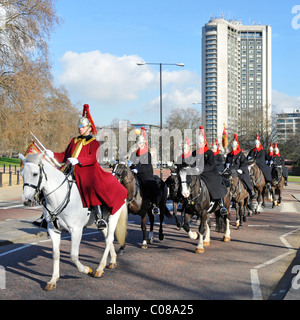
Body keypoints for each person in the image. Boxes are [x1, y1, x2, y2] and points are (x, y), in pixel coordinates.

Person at [46, 104, 127, 230]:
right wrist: (53, 155)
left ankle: (99, 216)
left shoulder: (94, 143)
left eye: (82, 127)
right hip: (70, 170)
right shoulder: (74, 141)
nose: (80, 129)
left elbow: (92, 158)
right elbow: (64, 156)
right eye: (79, 127)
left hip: (87, 172)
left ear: (89, 128)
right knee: (50, 183)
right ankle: (47, 215)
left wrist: (78, 160)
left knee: (90, 187)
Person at [192, 126, 228, 216]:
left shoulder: (209, 153)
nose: (199, 144)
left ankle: (220, 202)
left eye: (200, 142)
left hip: (208, 173)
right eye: (197, 142)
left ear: (204, 143)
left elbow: (211, 165)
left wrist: (201, 169)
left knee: (216, 182)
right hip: (196, 173)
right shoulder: (194, 153)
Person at [129, 127, 161, 214]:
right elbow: (131, 163)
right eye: (137, 142)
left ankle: (155, 205)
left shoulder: (147, 154)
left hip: (145, 174)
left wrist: (137, 169)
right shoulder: (133, 153)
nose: (138, 144)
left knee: (151, 186)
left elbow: (146, 166)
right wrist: (130, 166)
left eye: (140, 142)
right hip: (135, 175)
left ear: (143, 143)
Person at [225, 134, 256, 200]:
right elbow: (226, 163)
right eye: (232, 146)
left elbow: (244, 164)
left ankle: (251, 190)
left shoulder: (241, 155)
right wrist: (226, 165)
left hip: (238, 170)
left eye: (234, 146)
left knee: (245, 177)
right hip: (230, 171)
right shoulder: (229, 155)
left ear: (236, 146)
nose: (233, 147)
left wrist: (241, 169)